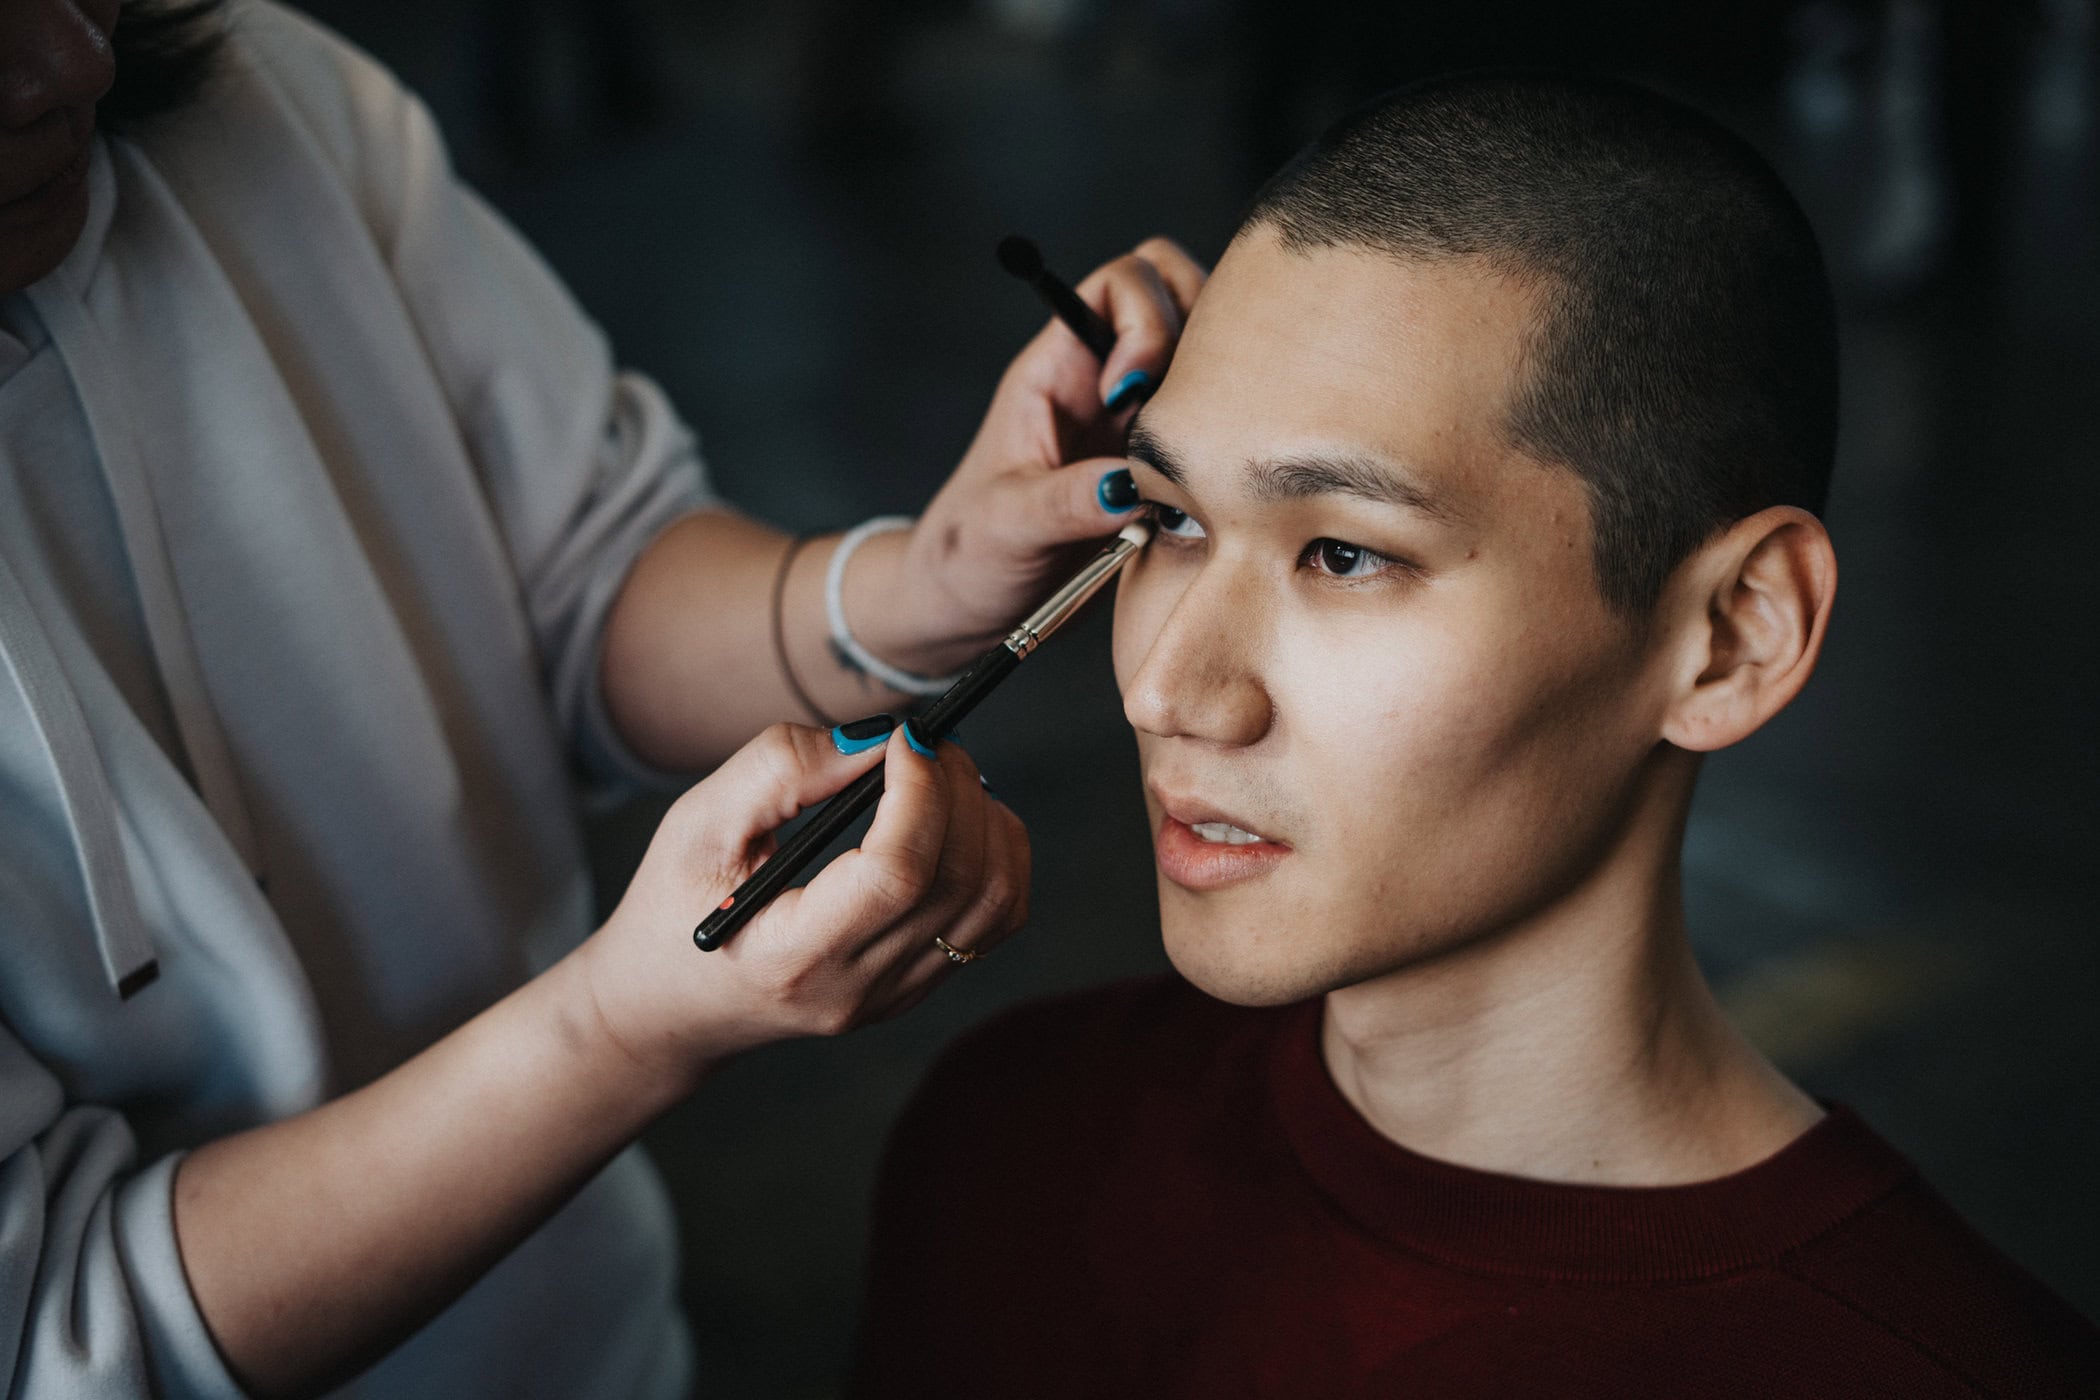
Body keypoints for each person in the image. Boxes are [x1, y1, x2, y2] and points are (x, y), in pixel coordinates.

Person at [0, 1, 1204, 1397]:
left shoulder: (258, 92)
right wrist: (618, 1028)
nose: (75, 60)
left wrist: (923, 587)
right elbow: (55, 1330)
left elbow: (580, 578)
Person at [851, 72, 2100, 1396]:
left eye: (1341, 551)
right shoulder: (1010, 1141)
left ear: (1736, 633)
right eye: (1167, 519)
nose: (1172, 691)